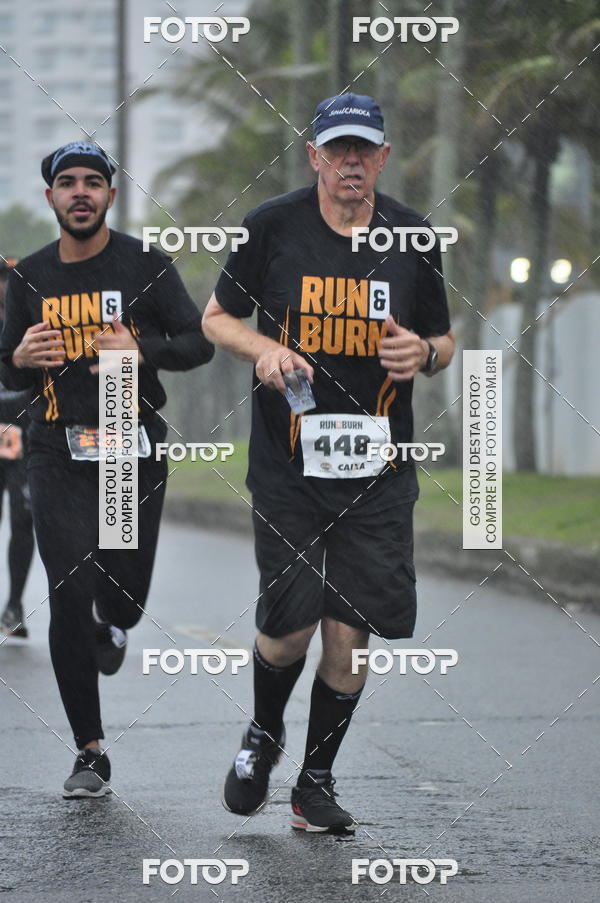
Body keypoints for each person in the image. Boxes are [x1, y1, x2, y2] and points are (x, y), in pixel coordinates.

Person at [203, 93, 455, 834]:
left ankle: (314, 782)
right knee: (290, 626)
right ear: (313, 155)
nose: (350, 161)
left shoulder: (413, 236)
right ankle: (262, 733)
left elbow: (444, 340)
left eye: (363, 149)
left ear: (382, 157)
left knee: (350, 632)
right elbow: (216, 319)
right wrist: (265, 350)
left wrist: (423, 353)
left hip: (377, 470)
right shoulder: (270, 227)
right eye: (336, 148)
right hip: (289, 465)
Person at [0, 141, 214, 798]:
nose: (80, 192)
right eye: (68, 182)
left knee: (121, 594)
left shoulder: (144, 265)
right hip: (56, 450)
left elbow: (198, 343)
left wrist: (140, 348)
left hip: (128, 450)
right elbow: (8, 369)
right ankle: (89, 750)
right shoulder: (30, 276)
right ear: (52, 198)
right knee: (68, 590)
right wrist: (21, 356)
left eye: (93, 182)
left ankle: (113, 619)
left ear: (110, 196)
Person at [0, 257, 35, 639]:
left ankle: (14, 605)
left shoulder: (34, 325)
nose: (7, 285)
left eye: (14, 278)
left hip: (24, 439)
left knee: (24, 520)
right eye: (2, 278)